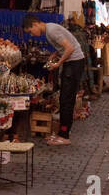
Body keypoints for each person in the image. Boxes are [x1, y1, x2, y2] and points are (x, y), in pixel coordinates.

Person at [23, 15, 86, 146]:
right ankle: (62, 133)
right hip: (72, 62)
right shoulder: (48, 31)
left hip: (74, 63)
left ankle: (64, 135)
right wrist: (55, 55)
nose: (32, 35)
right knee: (65, 98)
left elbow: (70, 48)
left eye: (30, 31)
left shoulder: (51, 30)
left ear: (35, 24)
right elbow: (64, 47)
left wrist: (58, 64)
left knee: (66, 100)